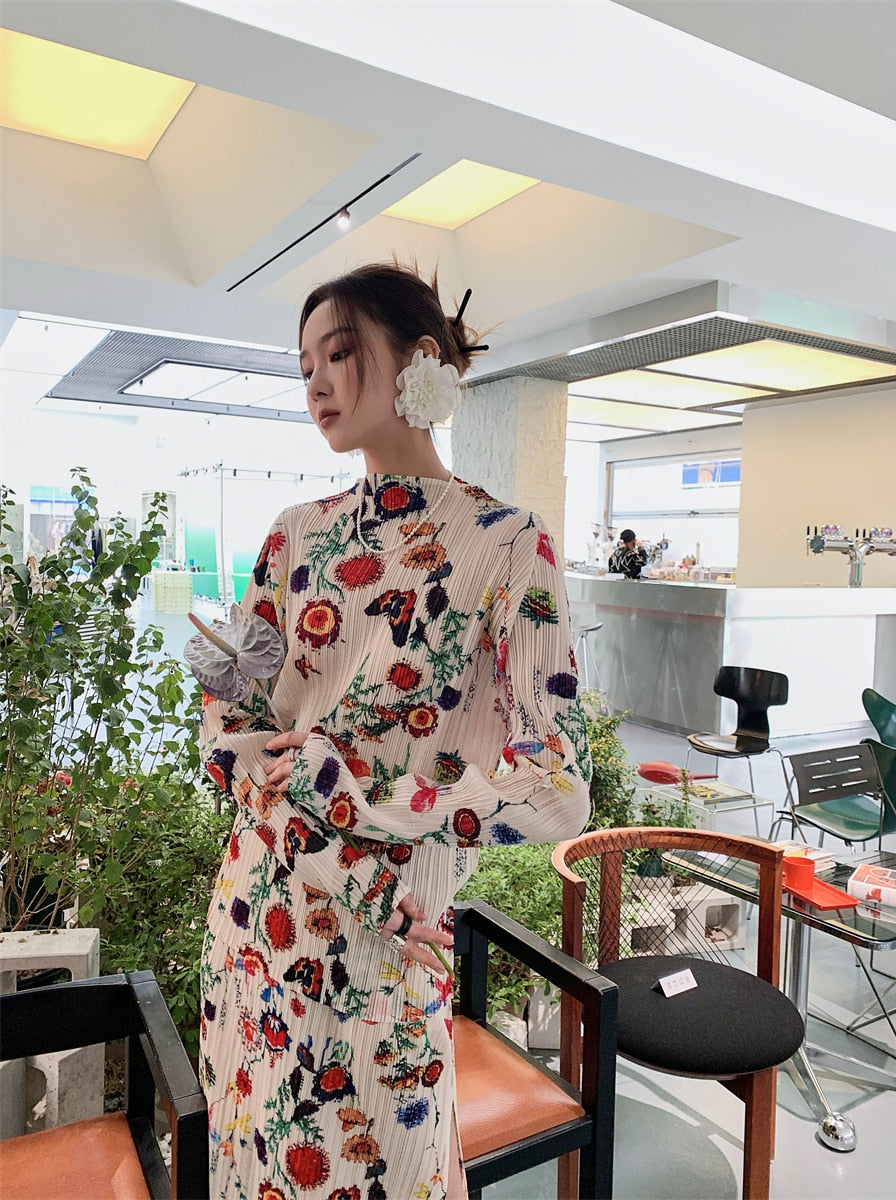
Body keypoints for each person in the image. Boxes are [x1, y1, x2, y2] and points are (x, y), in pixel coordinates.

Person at [196, 264, 591, 1200]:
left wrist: (370, 798)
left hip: (381, 956)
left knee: (391, 1173)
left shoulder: (508, 543)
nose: (317, 384)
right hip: (255, 923)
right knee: (248, 1166)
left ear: (419, 359)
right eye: (304, 368)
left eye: (338, 354)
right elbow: (227, 715)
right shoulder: (293, 536)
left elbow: (558, 787)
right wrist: (257, 764)